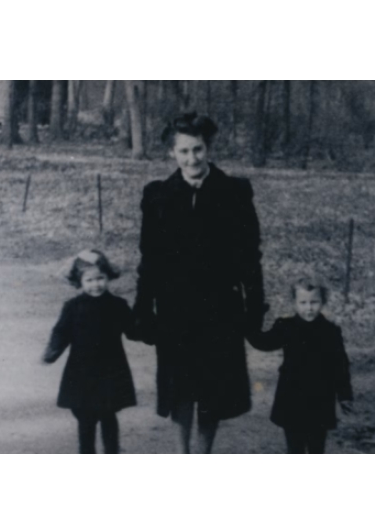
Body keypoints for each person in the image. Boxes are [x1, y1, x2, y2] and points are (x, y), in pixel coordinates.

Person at [133, 112, 266, 453]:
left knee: (212, 392)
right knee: (179, 389)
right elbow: (150, 259)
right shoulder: (158, 196)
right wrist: (143, 309)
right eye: (184, 151)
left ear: (208, 148)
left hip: (220, 310)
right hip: (175, 309)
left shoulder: (234, 193)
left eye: (198, 149)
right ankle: (183, 454)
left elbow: (250, 258)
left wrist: (254, 307)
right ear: (172, 153)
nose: (192, 159)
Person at [43, 249, 137, 454]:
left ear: (108, 277)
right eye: (89, 280)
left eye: (100, 278)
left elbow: (132, 330)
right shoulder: (73, 307)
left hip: (111, 370)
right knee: (84, 417)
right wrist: (52, 351)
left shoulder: (117, 305)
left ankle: (112, 453)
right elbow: (61, 331)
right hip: (81, 372)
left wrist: (149, 330)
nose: (96, 284)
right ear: (80, 282)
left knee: (108, 415)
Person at [247, 277, 353, 454]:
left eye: (314, 302)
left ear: (323, 302)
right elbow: (263, 342)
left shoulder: (330, 331)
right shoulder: (285, 327)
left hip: (320, 399)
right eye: (303, 303)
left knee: (316, 448)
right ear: (294, 303)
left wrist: (345, 396)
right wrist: (253, 317)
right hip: (291, 398)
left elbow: (340, 365)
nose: (309, 308)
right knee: (294, 448)